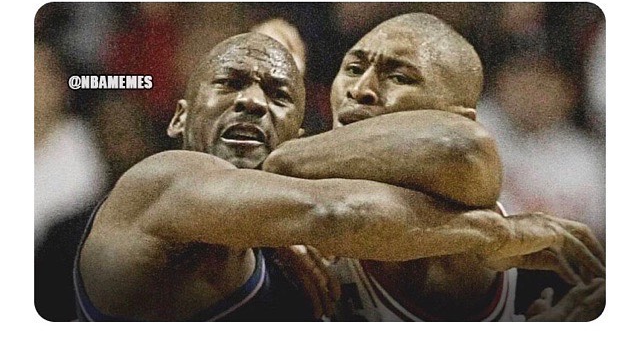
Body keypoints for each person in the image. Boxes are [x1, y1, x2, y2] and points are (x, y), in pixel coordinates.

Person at [74, 30, 604, 322]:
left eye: (278, 94)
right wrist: (496, 233)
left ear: (300, 133)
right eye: (230, 83)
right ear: (178, 118)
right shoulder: (160, 180)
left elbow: (461, 149)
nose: (253, 102)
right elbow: (329, 213)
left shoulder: (290, 247)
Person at [264, 13, 605, 321]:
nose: (361, 89)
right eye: (353, 69)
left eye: (399, 77)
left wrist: (275, 164)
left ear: (457, 118)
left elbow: (460, 147)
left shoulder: (467, 236)